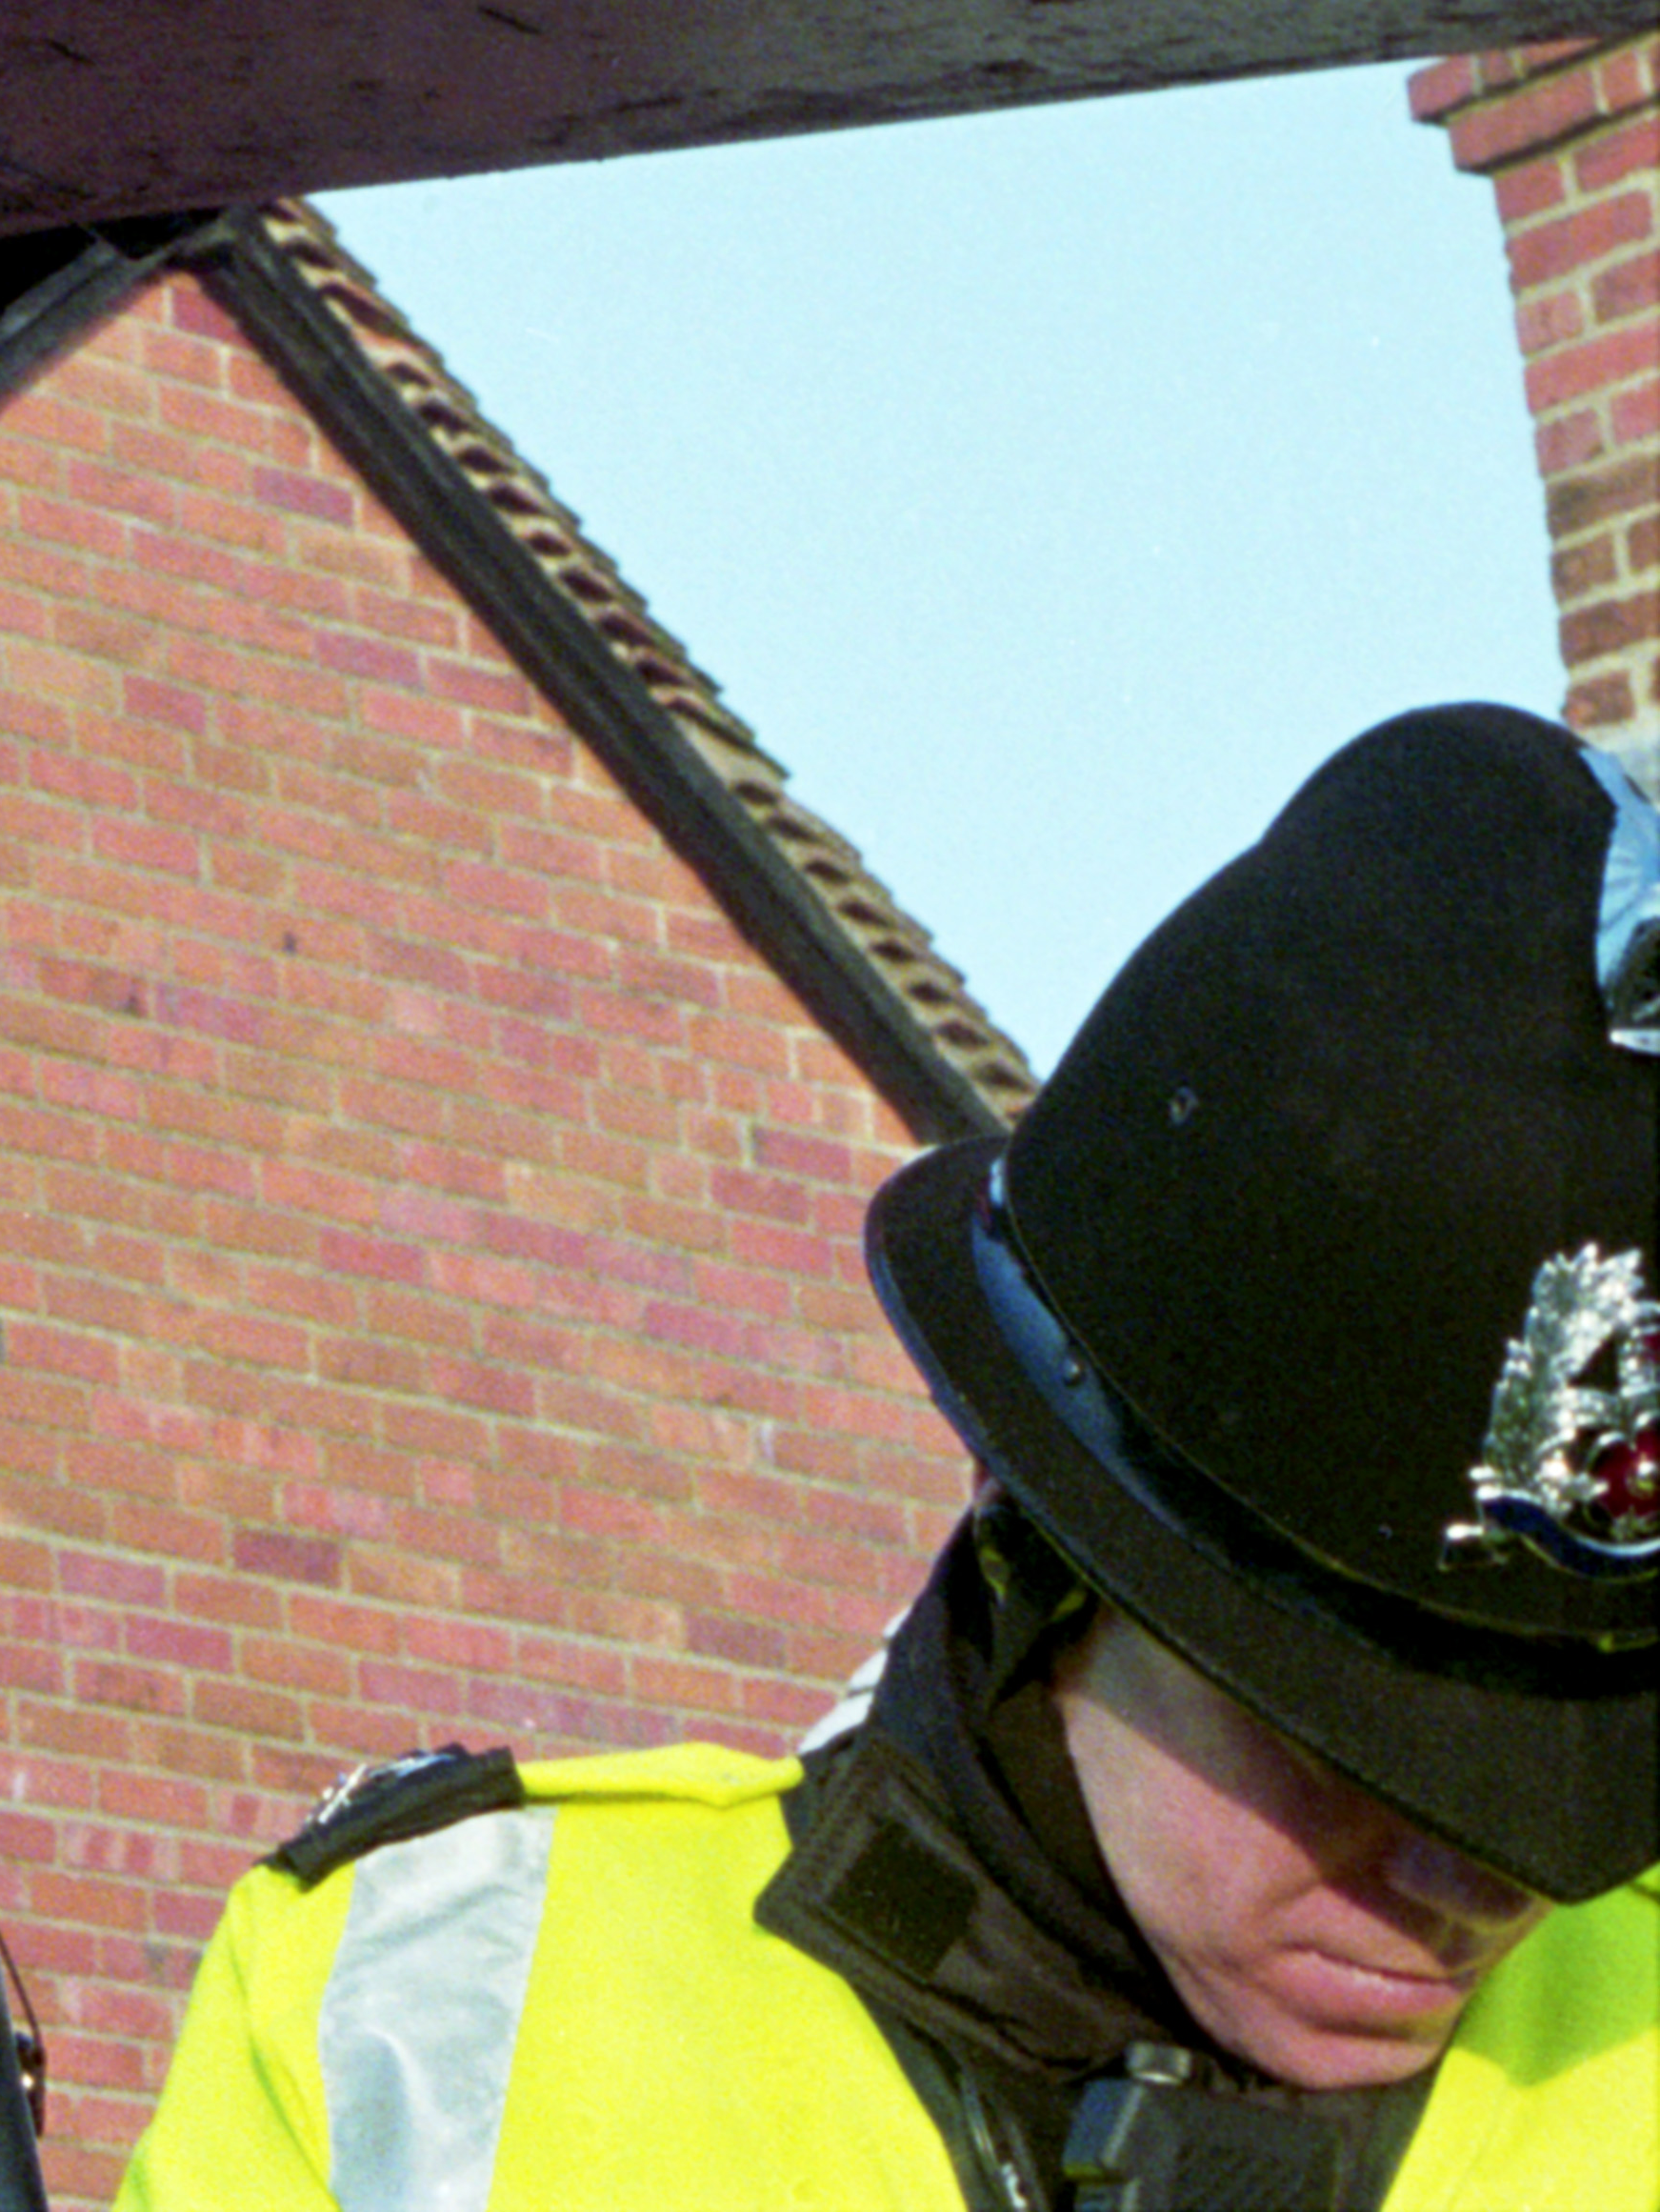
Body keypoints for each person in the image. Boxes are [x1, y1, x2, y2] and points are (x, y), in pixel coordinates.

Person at [115, 704, 1654, 2208]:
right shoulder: (418, 2012)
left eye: (1552, 1797)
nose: (1468, 1891)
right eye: (1357, 1747)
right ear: (1051, 1548)